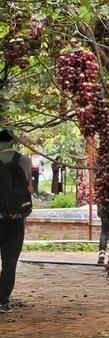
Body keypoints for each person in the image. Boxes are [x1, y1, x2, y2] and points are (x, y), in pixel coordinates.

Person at [0, 127, 32, 313]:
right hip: (16, 218)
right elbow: (29, 187)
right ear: (13, 141)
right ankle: (3, 301)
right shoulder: (25, 160)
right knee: (10, 261)